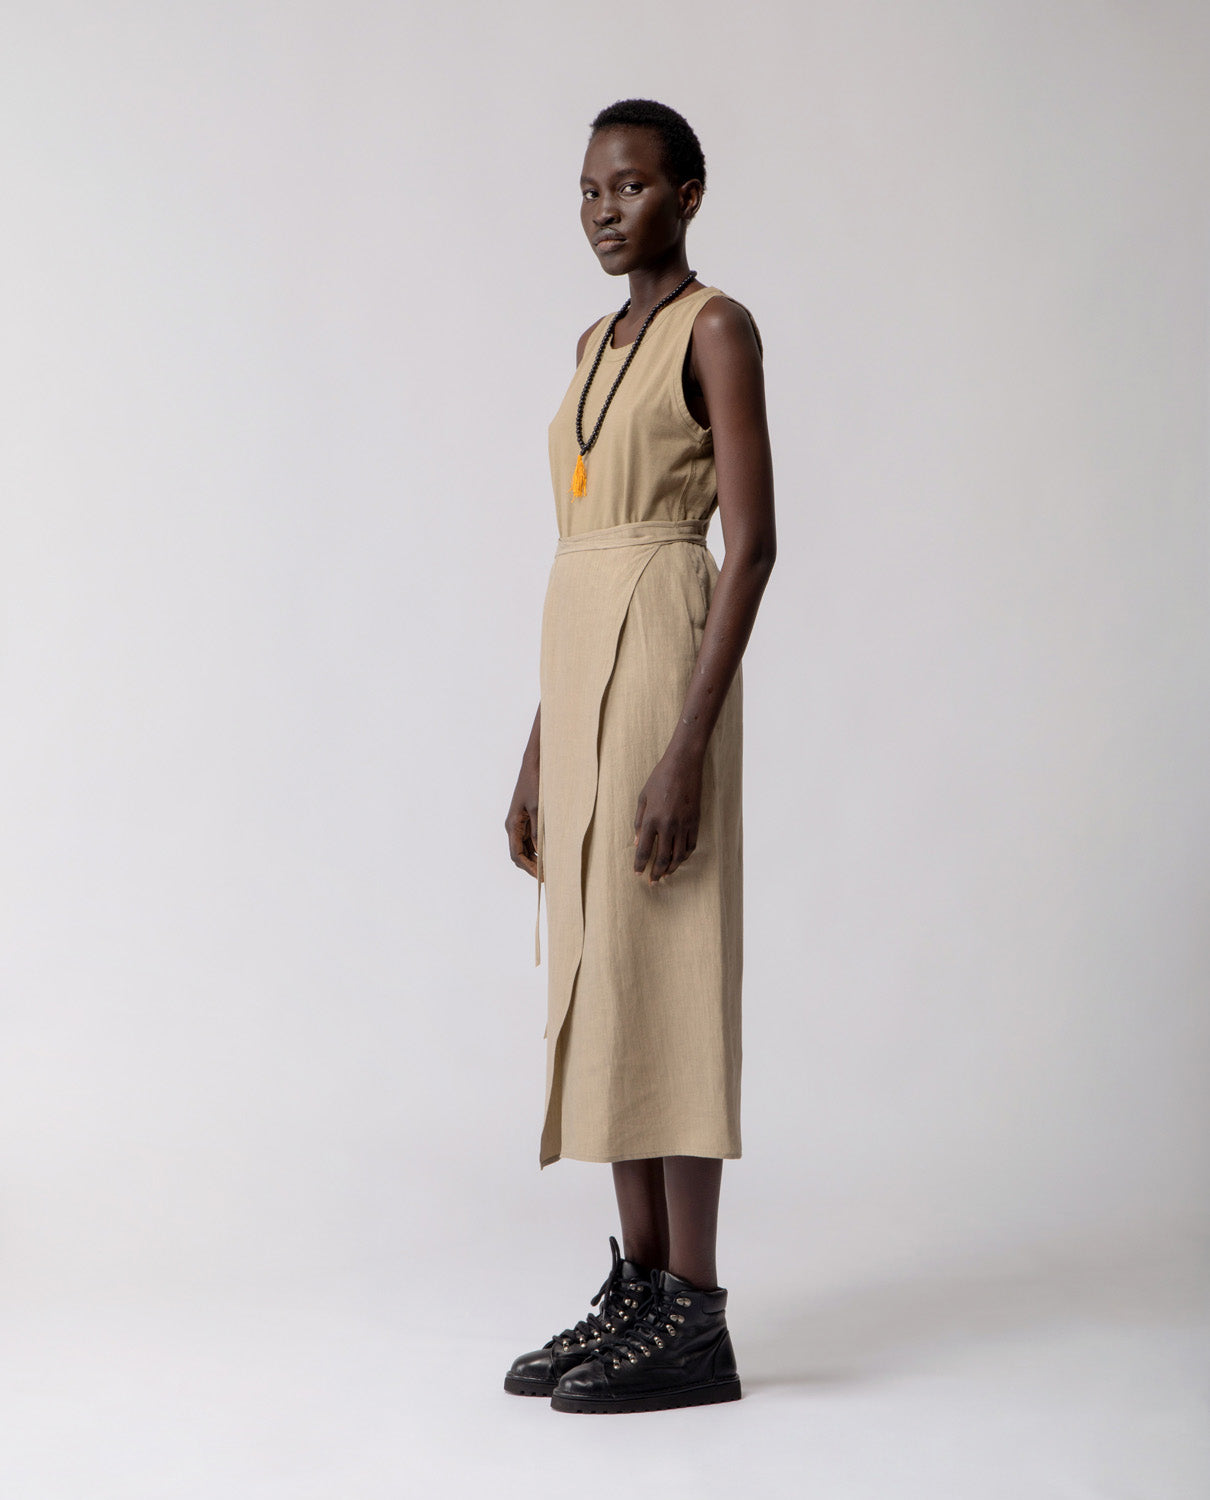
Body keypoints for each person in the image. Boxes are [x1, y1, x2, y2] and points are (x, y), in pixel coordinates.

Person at [503, 97, 776, 1414]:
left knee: (665, 966)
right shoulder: (588, 344)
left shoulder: (714, 328)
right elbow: (579, 554)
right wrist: (538, 748)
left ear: (688, 195)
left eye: (629, 186)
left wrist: (686, 751)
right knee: (601, 977)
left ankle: (695, 1316)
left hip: (667, 657)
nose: (603, 210)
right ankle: (640, 1285)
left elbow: (755, 542)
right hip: (579, 664)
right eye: (588, 190)